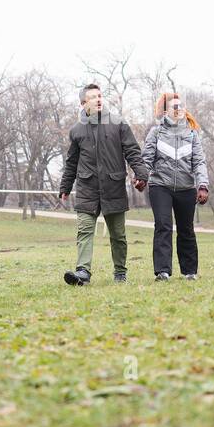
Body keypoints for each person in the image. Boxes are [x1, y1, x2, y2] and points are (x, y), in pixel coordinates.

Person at [58, 83, 149, 285]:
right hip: (86, 188)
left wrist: (141, 174)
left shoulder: (119, 124)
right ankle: (83, 272)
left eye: (100, 96)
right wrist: (65, 186)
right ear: (83, 103)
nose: (98, 99)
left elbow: (133, 151)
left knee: (118, 235)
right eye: (92, 97)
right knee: (84, 231)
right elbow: (71, 161)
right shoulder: (76, 130)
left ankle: (120, 273)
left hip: (113, 186)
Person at [141, 91, 209, 280]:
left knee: (186, 228)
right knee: (163, 225)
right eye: (174, 106)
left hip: (186, 188)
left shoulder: (192, 134)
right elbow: (146, 160)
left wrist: (202, 185)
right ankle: (162, 271)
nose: (179, 109)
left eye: (181, 106)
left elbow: (199, 162)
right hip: (160, 186)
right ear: (165, 112)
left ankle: (189, 272)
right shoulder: (156, 132)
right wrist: (141, 177)